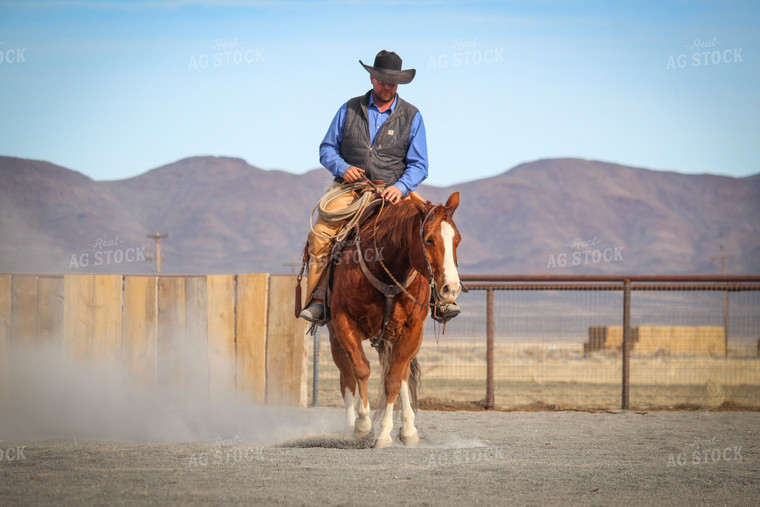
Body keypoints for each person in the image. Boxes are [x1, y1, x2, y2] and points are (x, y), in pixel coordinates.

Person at [299, 50, 459, 324]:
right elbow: (326, 149)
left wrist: (401, 187)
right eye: (383, 80)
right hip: (351, 190)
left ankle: (441, 300)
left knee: (430, 231)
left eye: (393, 83)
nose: (388, 87)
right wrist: (343, 168)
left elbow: (419, 165)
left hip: (395, 191)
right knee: (321, 235)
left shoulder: (412, 116)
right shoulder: (349, 109)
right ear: (372, 78)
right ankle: (318, 299)